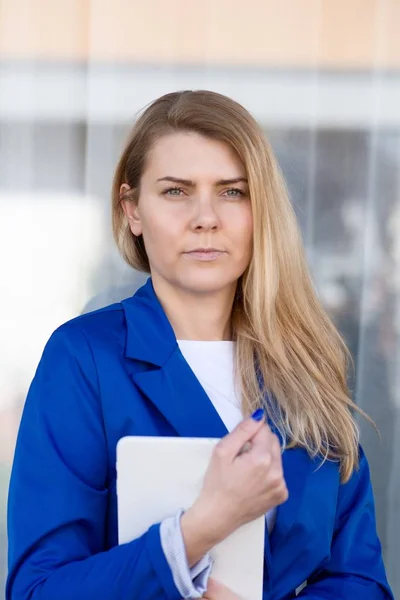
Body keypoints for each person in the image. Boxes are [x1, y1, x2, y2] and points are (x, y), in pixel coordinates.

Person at [6, 90, 393, 600]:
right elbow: (39, 590)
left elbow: (361, 584)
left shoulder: (307, 365)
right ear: (133, 211)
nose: (206, 217)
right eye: (175, 191)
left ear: (261, 211)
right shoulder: (84, 361)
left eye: (232, 191)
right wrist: (198, 531)